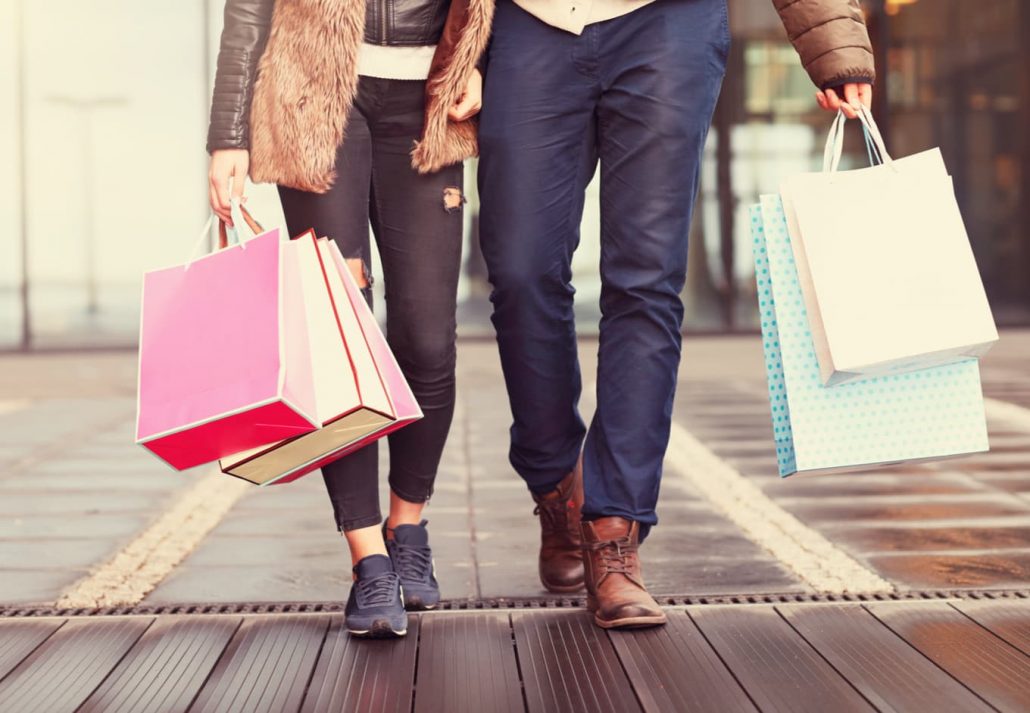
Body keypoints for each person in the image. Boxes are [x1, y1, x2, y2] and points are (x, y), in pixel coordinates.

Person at [477, 0, 875, 629]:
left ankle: (614, 533)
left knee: (645, 282)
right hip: (532, 24)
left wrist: (836, 47)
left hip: (667, 25)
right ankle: (556, 480)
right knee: (521, 272)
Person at [206, 0, 493, 638]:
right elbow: (248, 10)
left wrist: (484, 66)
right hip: (315, 94)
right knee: (340, 337)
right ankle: (369, 557)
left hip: (430, 101)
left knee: (426, 339)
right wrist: (228, 132)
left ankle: (408, 523)